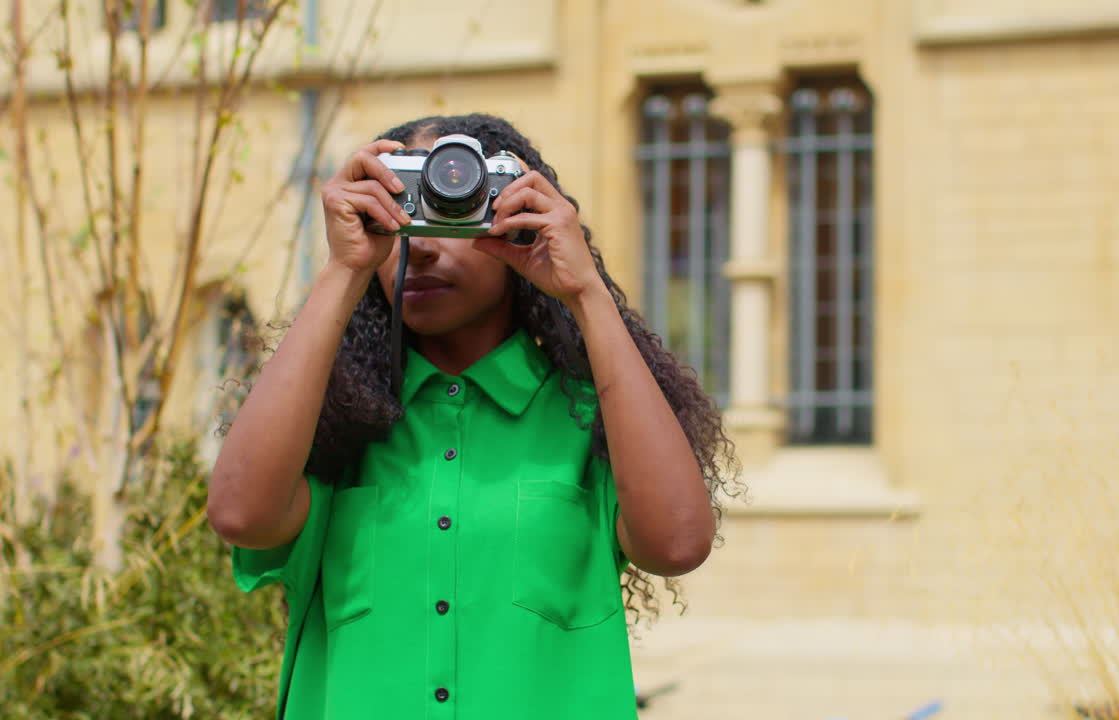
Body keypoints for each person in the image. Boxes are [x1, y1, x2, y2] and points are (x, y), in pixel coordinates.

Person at [207, 113, 740, 720]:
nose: (422, 246)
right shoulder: (335, 432)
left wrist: (585, 290)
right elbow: (239, 514)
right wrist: (344, 268)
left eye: (452, 212)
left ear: (513, 216)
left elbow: (676, 543)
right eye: (400, 213)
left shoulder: (591, 418)